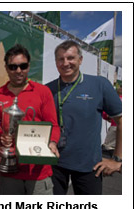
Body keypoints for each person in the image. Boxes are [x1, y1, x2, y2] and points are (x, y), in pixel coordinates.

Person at [45, 40, 122, 195]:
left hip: (89, 167)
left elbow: (122, 120)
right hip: (54, 164)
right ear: (55, 62)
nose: (65, 63)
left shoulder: (99, 84)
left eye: (70, 58)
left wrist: (117, 160)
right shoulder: (48, 89)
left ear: (80, 60)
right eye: (61, 59)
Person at [0, 44, 60, 195]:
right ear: (6, 68)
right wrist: (0, 136)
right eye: (13, 67)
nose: (18, 71)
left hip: (37, 170)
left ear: (28, 66)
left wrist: (52, 143)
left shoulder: (42, 92)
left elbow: (53, 125)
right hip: (9, 170)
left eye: (23, 66)